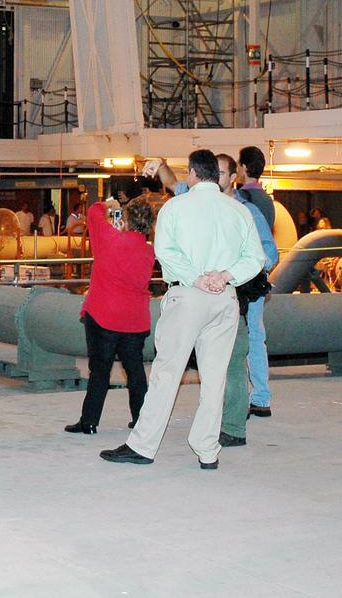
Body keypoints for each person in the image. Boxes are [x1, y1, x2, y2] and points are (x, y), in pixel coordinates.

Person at [102, 150, 264, 470]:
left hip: (188, 296)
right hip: (225, 299)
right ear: (216, 176)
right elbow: (255, 259)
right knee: (215, 378)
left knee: (167, 373)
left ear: (191, 174)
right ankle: (207, 451)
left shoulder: (176, 207)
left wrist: (198, 278)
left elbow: (166, 252)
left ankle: (143, 445)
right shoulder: (238, 210)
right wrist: (224, 277)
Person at [64, 195, 155, 435]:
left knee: (100, 371)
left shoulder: (109, 239)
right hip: (135, 319)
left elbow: (93, 213)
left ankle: (90, 421)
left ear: (125, 218)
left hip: (103, 314)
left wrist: (109, 205)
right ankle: (141, 420)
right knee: (135, 370)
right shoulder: (149, 253)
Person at [215, 154, 279, 445]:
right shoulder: (245, 206)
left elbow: (269, 252)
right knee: (248, 342)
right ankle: (254, 400)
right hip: (231, 289)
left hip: (242, 290)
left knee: (247, 342)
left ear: (235, 176)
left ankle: (254, 400)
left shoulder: (248, 209)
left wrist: (247, 275)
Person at [235, 146, 277, 419]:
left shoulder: (243, 199)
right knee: (257, 338)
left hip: (243, 280)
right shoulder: (268, 200)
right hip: (259, 281)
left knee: (240, 338)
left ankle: (242, 396)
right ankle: (261, 396)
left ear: (243, 168)